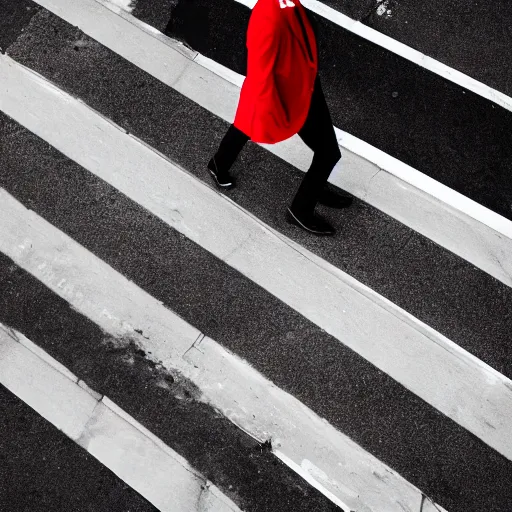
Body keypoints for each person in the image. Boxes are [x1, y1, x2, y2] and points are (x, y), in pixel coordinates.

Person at [208, 0, 352, 235]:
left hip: (303, 82)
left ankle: (218, 164)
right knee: (328, 154)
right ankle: (300, 210)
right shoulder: (269, 15)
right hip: (292, 94)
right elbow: (260, 73)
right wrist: (273, 110)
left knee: (249, 119)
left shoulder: (281, 3)